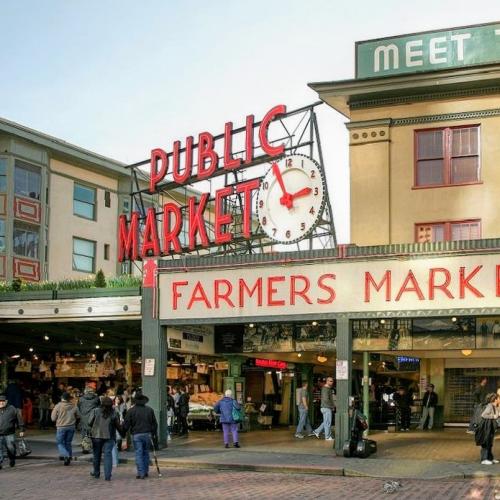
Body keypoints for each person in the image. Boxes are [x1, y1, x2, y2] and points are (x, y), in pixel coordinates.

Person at [122, 391, 158, 479]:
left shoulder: (131, 411)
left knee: (139, 453)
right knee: (146, 453)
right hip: (147, 434)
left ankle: (141, 472)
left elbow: (126, 424)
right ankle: (145, 471)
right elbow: (154, 424)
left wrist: (123, 432)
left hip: (137, 434)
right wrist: (154, 434)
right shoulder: (149, 410)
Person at [88, 397, 123, 481]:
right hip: (109, 436)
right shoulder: (113, 413)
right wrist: (123, 432)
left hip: (96, 435)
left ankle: (96, 473)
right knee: (108, 455)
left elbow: (89, 423)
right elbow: (118, 426)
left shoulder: (95, 411)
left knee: (97, 455)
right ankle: (107, 476)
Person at [51, 392, 80, 466]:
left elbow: (53, 418)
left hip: (61, 427)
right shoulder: (74, 406)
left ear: (62, 398)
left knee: (60, 442)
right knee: (68, 443)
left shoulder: (58, 406)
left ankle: (66, 456)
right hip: (71, 427)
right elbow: (79, 416)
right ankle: (68, 457)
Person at [0, 394, 25, 469]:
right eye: (0, 401)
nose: (1, 403)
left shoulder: (12, 409)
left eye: (2, 401)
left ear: (6, 401)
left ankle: (12, 459)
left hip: (9, 433)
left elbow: (19, 419)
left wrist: (21, 429)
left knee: (11, 448)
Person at [474, 393, 499, 465]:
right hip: (485, 428)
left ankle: (490, 458)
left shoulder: (494, 406)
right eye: (498, 398)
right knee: (485, 442)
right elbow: (483, 415)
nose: (499, 400)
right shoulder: (490, 406)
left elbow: (496, 415)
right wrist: (493, 416)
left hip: (489, 427)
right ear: (495, 399)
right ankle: (484, 459)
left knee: (489, 443)